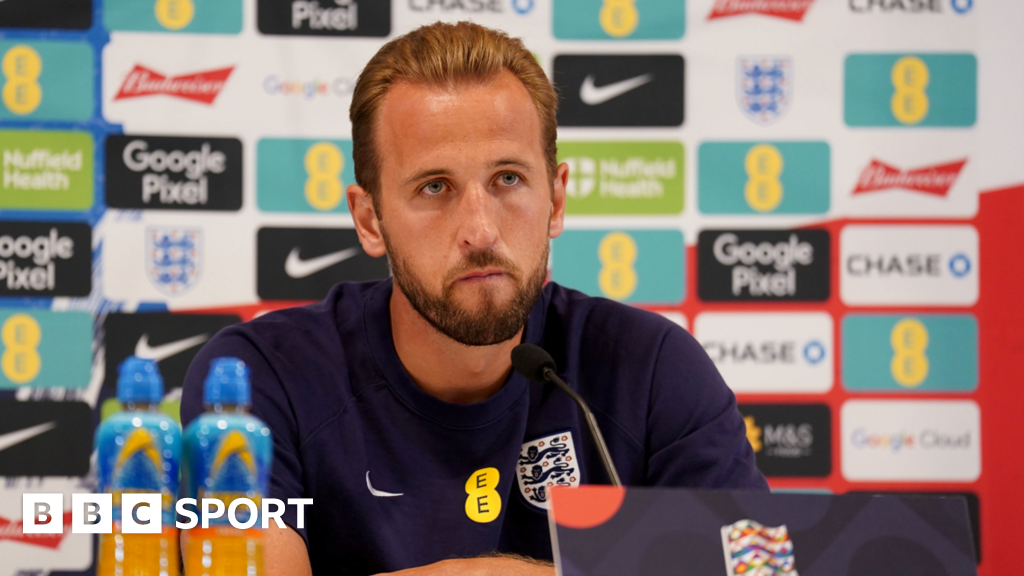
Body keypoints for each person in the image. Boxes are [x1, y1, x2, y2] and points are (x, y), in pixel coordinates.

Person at [181, 21, 767, 576]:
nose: (480, 230)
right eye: (434, 188)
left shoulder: (653, 370)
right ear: (369, 220)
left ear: (556, 201)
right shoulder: (258, 380)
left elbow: (751, 564)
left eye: (507, 179)